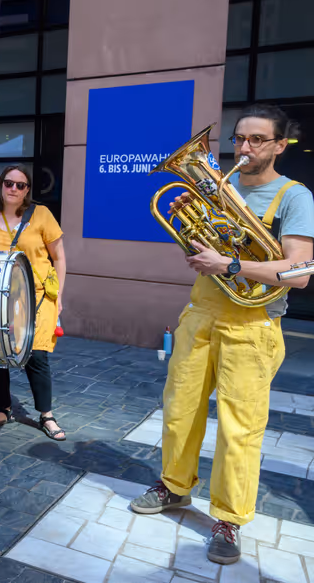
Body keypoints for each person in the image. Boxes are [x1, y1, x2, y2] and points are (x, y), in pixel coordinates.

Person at [130, 105, 314, 566]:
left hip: (253, 325)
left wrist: (231, 264)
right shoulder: (222, 188)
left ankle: (229, 518)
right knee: (180, 410)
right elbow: (204, 249)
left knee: (240, 428)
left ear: (279, 145)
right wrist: (191, 228)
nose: (245, 149)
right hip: (201, 314)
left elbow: (301, 271)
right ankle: (173, 487)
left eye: (256, 140)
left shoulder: (295, 197)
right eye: (239, 139)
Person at [0, 165, 67, 441]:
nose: (13, 189)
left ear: (27, 191)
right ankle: (4, 409)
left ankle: (46, 414)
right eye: (9, 183)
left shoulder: (41, 215)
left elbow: (59, 257)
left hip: (36, 296)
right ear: (1, 185)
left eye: (20, 185)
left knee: (36, 354)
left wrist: (59, 294)